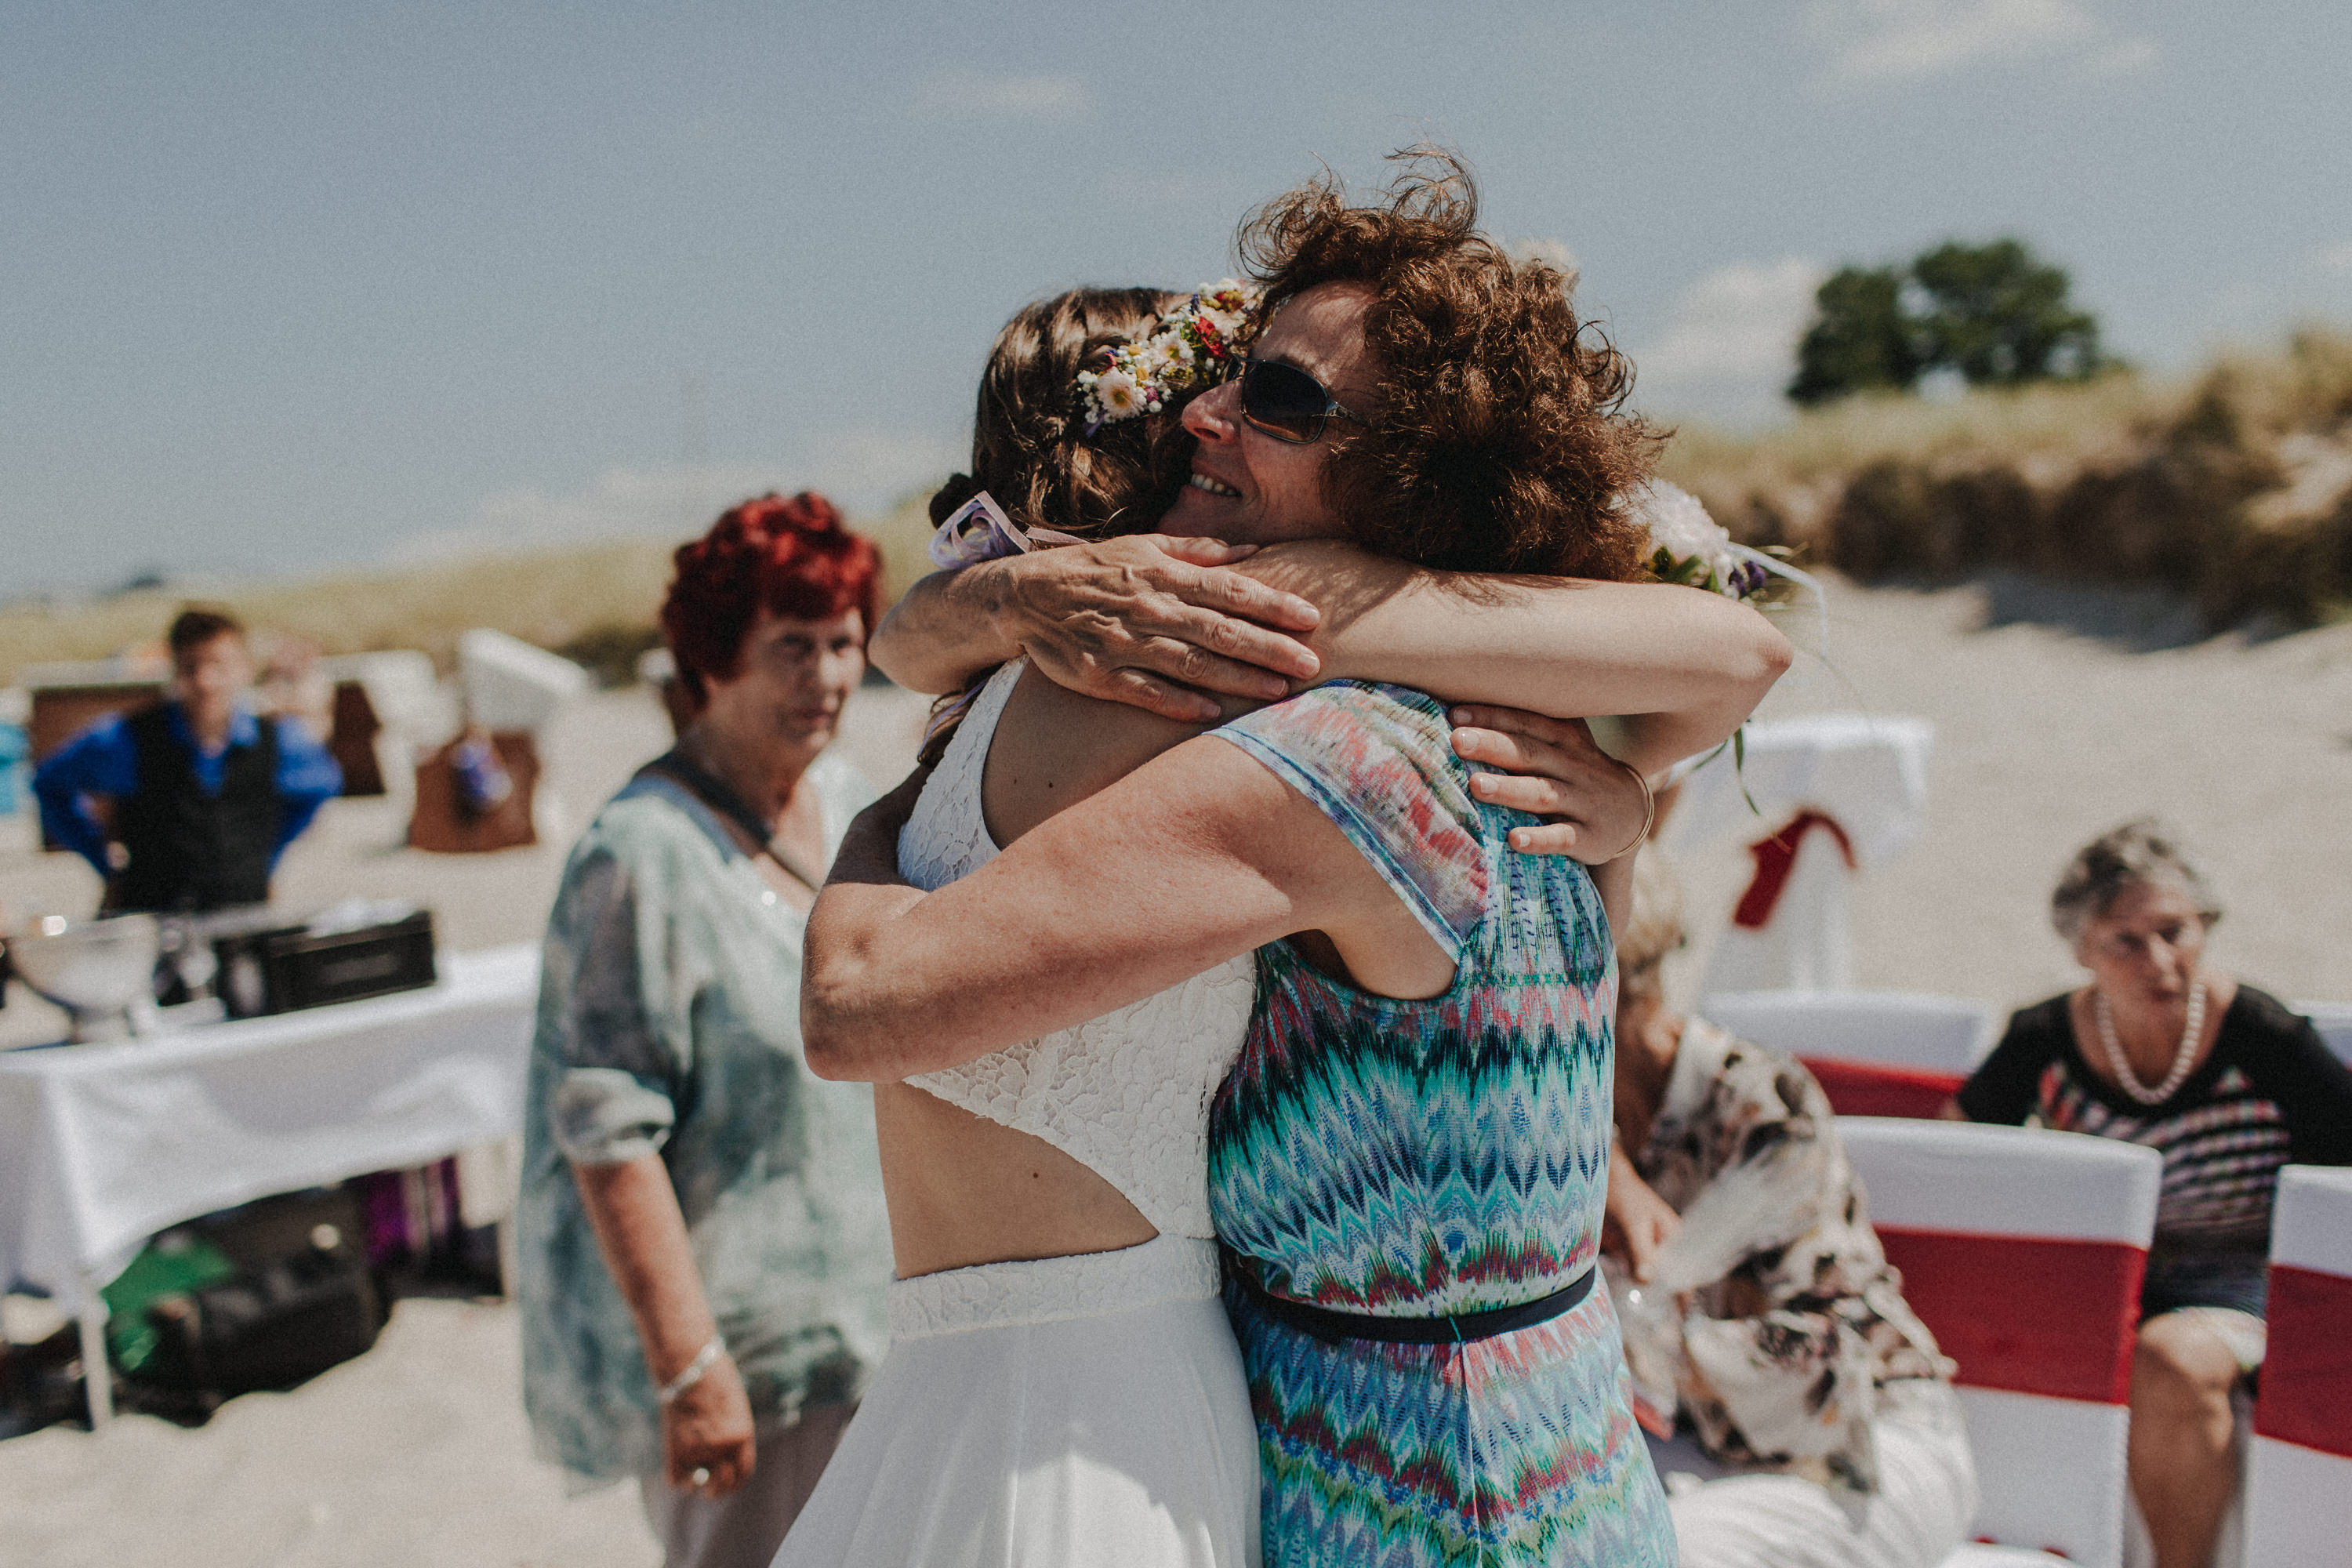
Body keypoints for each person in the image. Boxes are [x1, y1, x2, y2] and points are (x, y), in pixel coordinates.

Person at [793, 153, 1792, 1566]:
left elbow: (862, 1008)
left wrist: (875, 825)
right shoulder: (1534, 726)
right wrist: (1007, 597)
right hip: (1560, 1458)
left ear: (1413, 470)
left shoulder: (1348, 769)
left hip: (1427, 1502)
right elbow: (1736, 660)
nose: (1204, 413)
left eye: (1274, 396)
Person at [517, 493, 895, 1568]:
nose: (824, 677)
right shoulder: (642, 856)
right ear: (714, 656)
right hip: (744, 1364)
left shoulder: (848, 794)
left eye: (842, 643)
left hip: (870, 1330)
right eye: (790, 646)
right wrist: (692, 1372)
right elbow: (608, 1133)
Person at [1947, 819, 2352, 1568]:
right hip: (2103, 1280)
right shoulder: (2044, 1038)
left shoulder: (2263, 1038)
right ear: (2082, 951)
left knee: (2168, 1361)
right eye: (2125, 942)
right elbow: (1962, 1155)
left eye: (2176, 932)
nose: (2160, 961)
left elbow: (2342, 1179)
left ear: (2206, 929)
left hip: (2246, 1281)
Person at [1602, 855, 1973, 1568]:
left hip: (1864, 1444)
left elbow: (1820, 1359)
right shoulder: (1582, 1128)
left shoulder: (1763, 1105)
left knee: (1654, 1554)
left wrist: (1649, 1329)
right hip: (1709, 1443)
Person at [34, 606, 342, 913]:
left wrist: (268, 853)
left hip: (244, 918)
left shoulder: (278, 742)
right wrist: (101, 859)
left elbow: (322, 786)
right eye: (191, 667)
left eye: (218, 665)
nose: (205, 680)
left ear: (244, 669)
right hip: (155, 918)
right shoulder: (129, 740)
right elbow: (49, 783)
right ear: (175, 670)